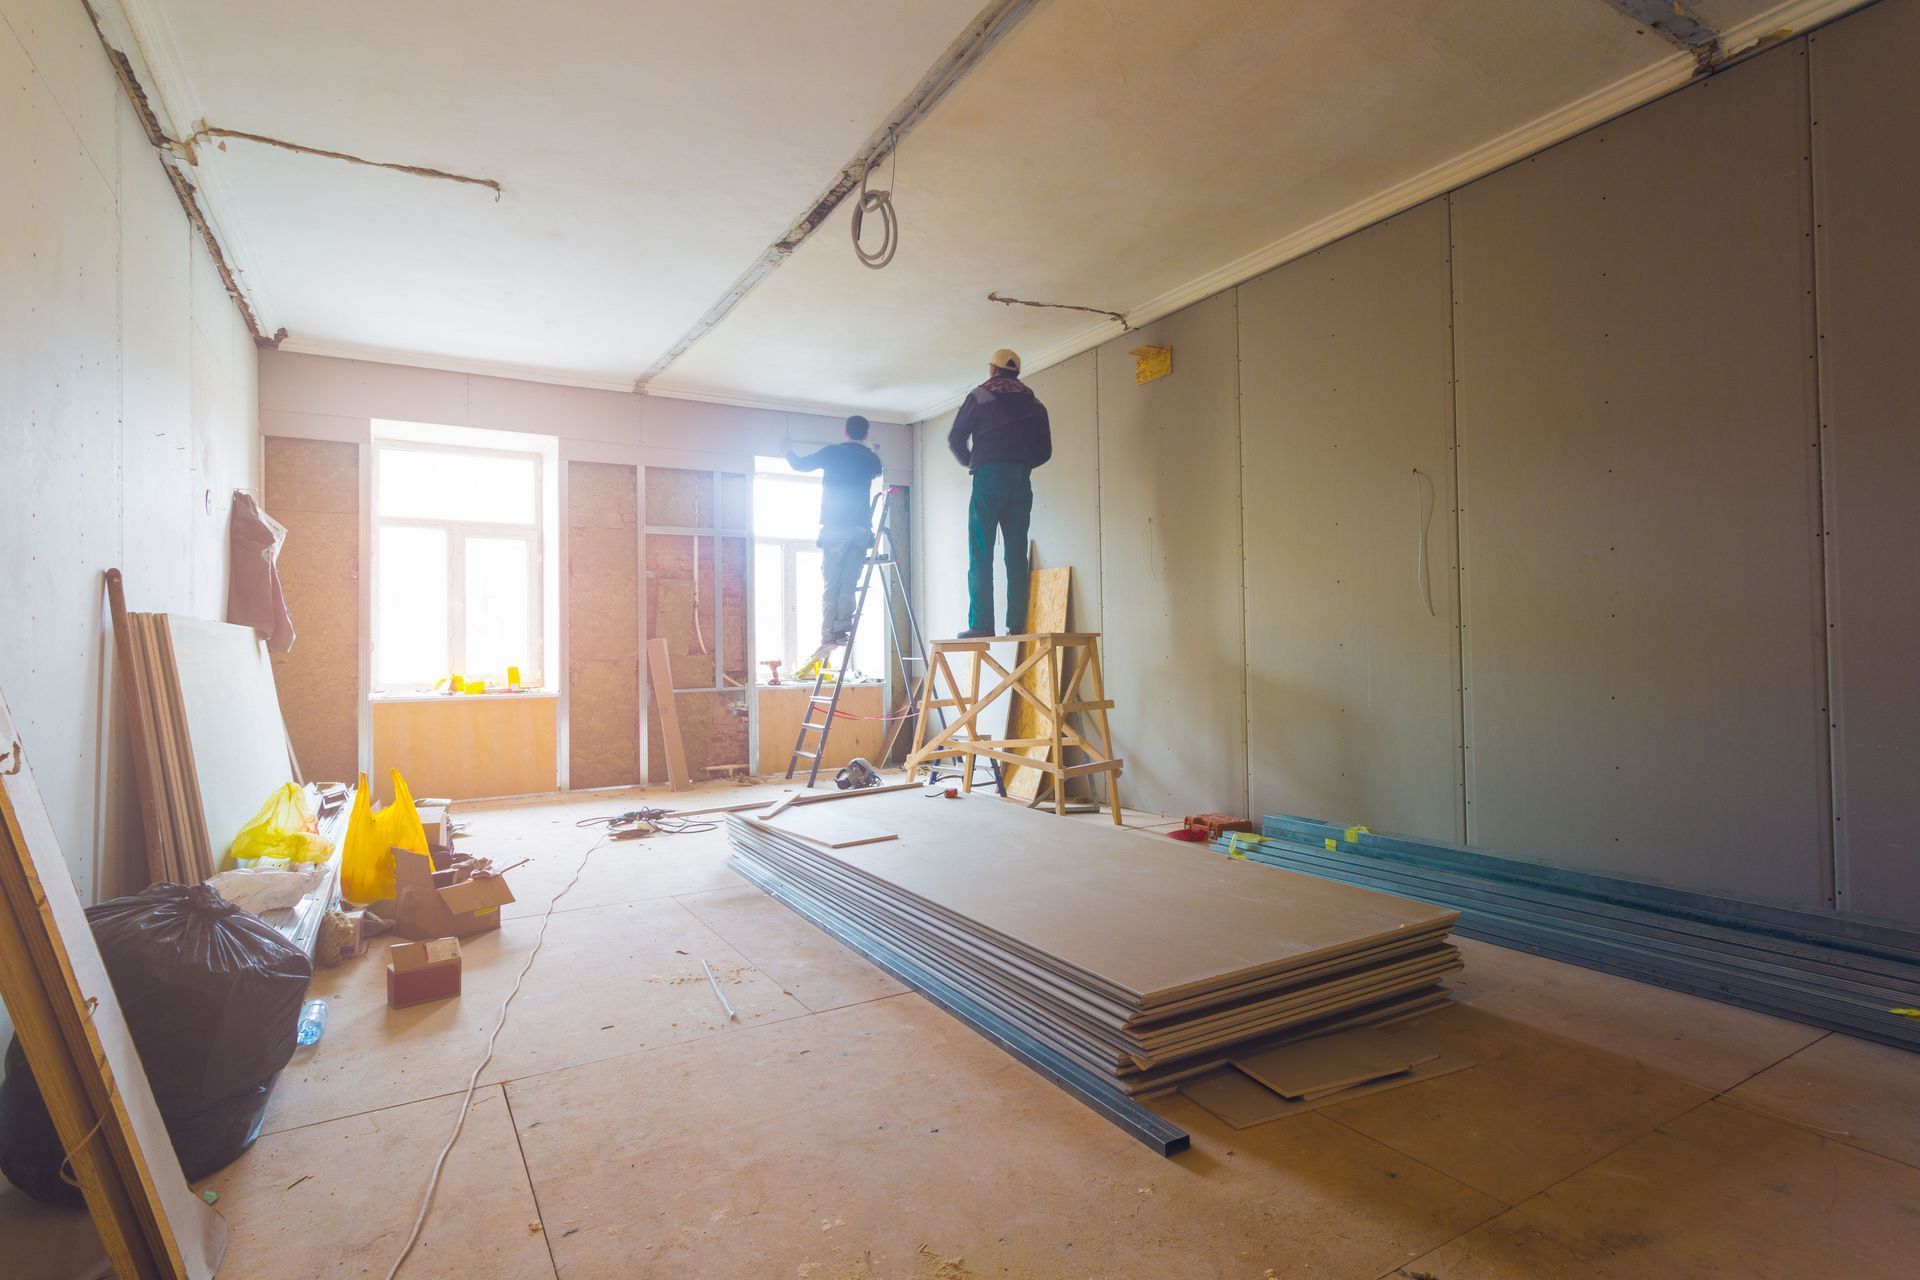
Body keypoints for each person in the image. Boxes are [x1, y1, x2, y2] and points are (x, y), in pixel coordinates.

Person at [947, 348, 1052, 638]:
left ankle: (982, 624)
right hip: (1021, 477)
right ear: (1016, 372)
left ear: (992, 369)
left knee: (981, 549)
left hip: (989, 476)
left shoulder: (980, 395)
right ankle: (1017, 623)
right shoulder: (1034, 402)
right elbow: (1045, 450)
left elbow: (956, 438)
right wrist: (1023, 462)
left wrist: (975, 461)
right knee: (1016, 552)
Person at [785, 415, 883, 667]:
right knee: (849, 583)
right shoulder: (870, 458)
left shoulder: (832, 453)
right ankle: (840, 630)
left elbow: (799, 465)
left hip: (835, 529)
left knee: (832, 584)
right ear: (866, 433)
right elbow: (877, 470)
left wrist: (787, 449)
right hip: (859, 530)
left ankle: (829, 635)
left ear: (845, 431)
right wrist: (872, 451)